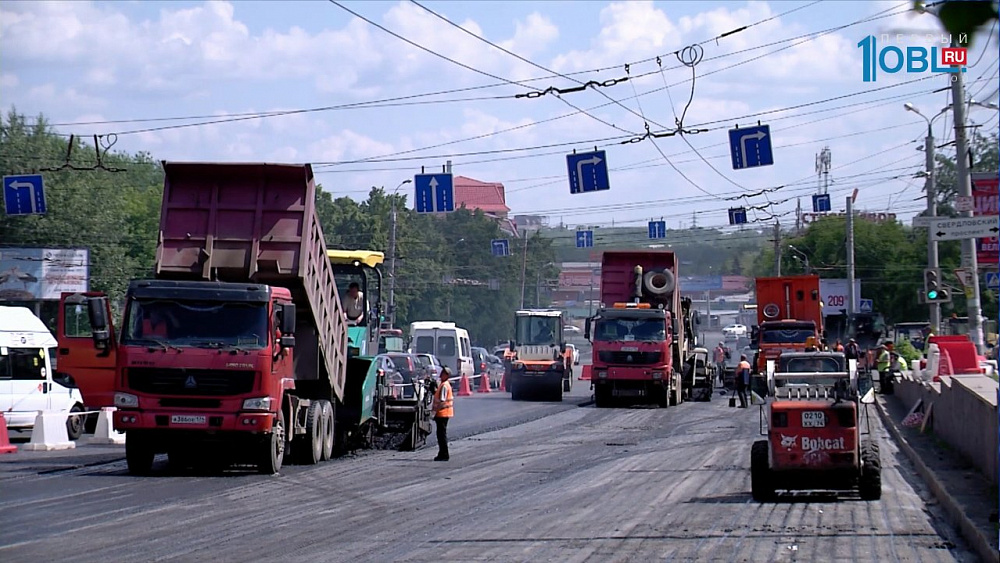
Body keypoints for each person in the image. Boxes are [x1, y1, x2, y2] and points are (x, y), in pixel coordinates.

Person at [431, 366, 454, 461]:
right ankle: (442, 453)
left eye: (443, 373)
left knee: (441, 435)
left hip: (442, 413)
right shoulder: (444, 384)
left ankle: (444, 454)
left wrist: (434, 412)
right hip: (444, 413)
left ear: (446, 375)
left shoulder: (444, 385)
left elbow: (442, 400)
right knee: (441, 434)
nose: (441, 375)